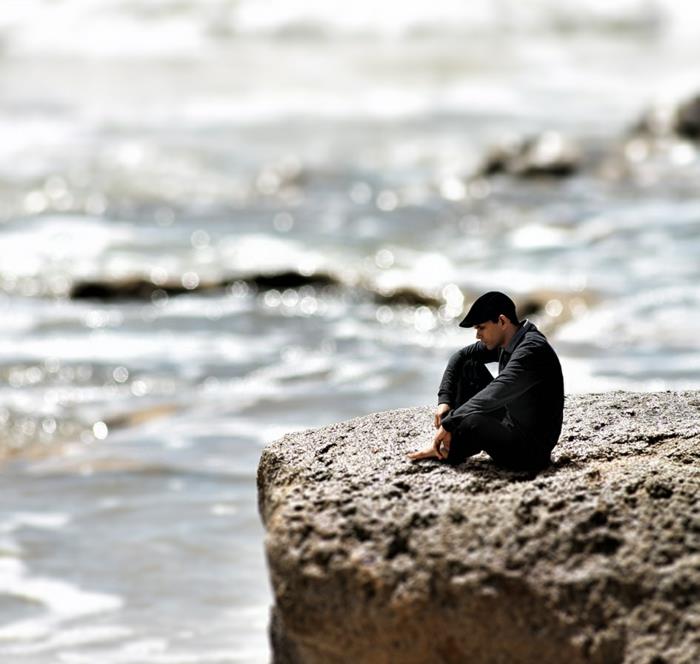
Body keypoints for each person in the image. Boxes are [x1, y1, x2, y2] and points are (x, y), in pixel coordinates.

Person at [407, 291, 564, 470]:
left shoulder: (531, 350)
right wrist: (445, 400)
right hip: (512, 423)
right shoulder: (510, 339)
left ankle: (445, 450)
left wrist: (451, 421)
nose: (477, 336)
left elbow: (498, 390)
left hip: (530, 452)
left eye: (481, 328)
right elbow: (460, 356)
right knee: (468, 365)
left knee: (471, 420)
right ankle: (449, 444)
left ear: (502, 321)